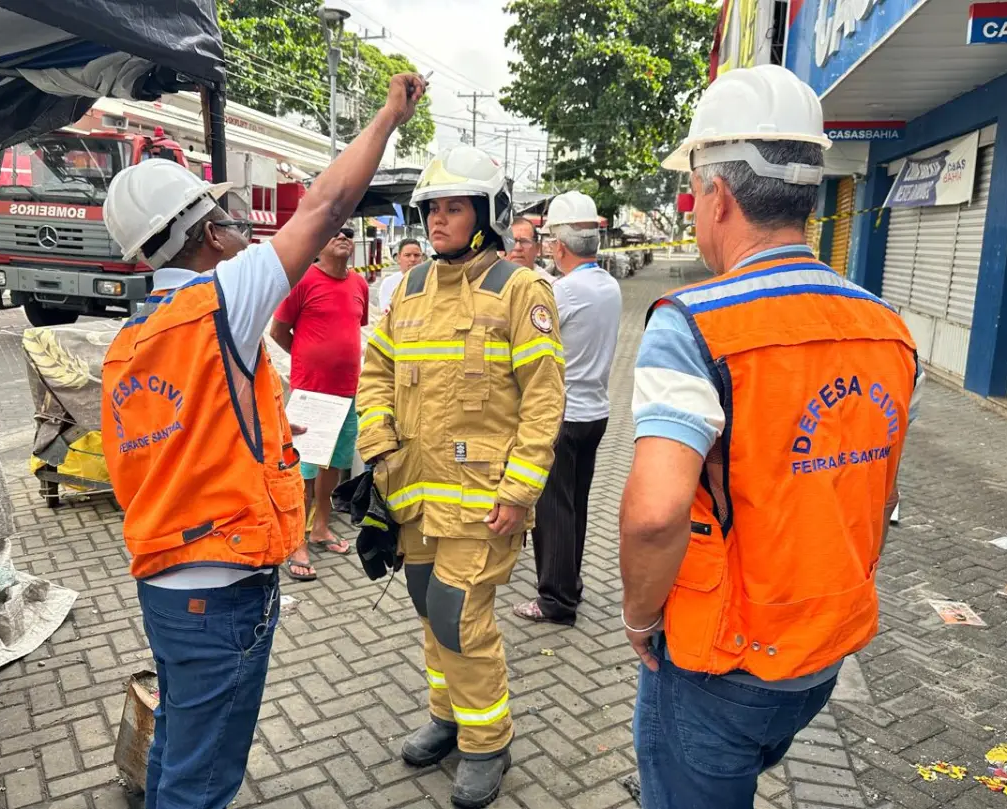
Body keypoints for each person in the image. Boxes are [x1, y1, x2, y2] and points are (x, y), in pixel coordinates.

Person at [99, 74, 426, 809]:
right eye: (221, 215)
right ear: (203, 231)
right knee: (201, 779)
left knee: (182, 743)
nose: (236, 224)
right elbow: (327, 205)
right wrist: (389, 116)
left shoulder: (129, 340)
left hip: (163, 583)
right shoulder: (220, 299)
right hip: (222, 592)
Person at [620, 64, 922, 809]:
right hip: (823, 653)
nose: (692, 213)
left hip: (719, 661)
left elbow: (655, 514)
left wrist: (638, 617)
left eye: (693, 196)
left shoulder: (693, 325)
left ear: (718, 196)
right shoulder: (888, 329)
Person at [356, 145, 565, 809]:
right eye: (433, 209)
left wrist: (520, 490)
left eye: (453, 207)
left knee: (459, 617)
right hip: (415, 495)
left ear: (487, 213)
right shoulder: (409, 291)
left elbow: (543, 400)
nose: (439, 220)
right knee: (429, 611)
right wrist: (380, 448)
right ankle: (448, 717)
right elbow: (376, 373)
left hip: (484, 504)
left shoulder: (520, 289)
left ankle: (487, 742)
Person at [513, 191, 621, 626]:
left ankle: (556, 600)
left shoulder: (563, 292)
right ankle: (569, 582)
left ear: (557, 247)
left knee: (552, 512)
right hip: (595, 412)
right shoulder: (608, 285)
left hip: (561, 415)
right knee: (574, 505)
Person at [269, 227, 371, 580]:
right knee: (304, 470)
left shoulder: (359, 285)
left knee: (334, 466)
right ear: (317, 244)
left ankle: (321, 528)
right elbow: (278, 332)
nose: (344, 234)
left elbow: (354, 329)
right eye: (334, 232)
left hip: (347, 393)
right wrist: (306, 359)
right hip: (312, 393)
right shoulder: (302, 282)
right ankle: (296, 540)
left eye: (348, 231)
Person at [378, 237, 425, 313]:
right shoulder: (389, 283)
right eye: (407, 255)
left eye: (416, 255)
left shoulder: (430, 280)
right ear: (399, 258)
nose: (412, 259)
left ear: (422, 258)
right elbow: (386, 313)